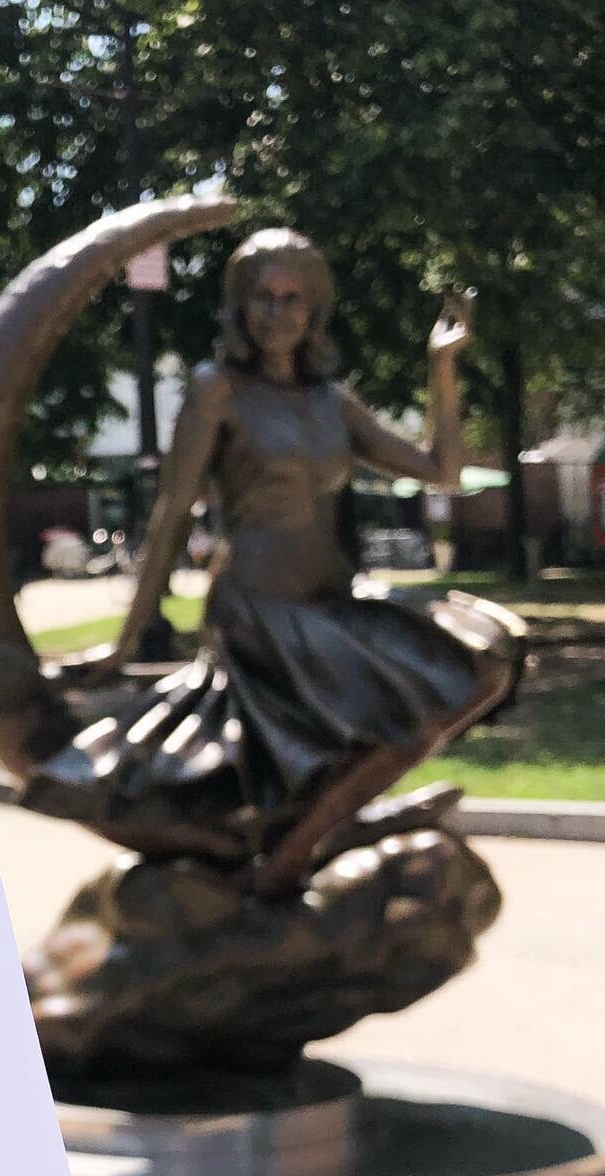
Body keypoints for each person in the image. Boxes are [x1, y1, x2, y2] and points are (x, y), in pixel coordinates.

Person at [29, 228, 522, 895]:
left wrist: (442, 368)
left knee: (480, 667)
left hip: (331, 599)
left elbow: (442, 470)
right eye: (262, 297)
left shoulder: (331, 401)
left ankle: (304, 840)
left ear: (314, 310)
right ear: (239, 306)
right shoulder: (217, 390)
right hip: (258, 609)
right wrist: (124, 643)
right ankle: (295, 855)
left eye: (293, 299)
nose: (277, 313)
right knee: (415, 714)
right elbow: (171, 514)